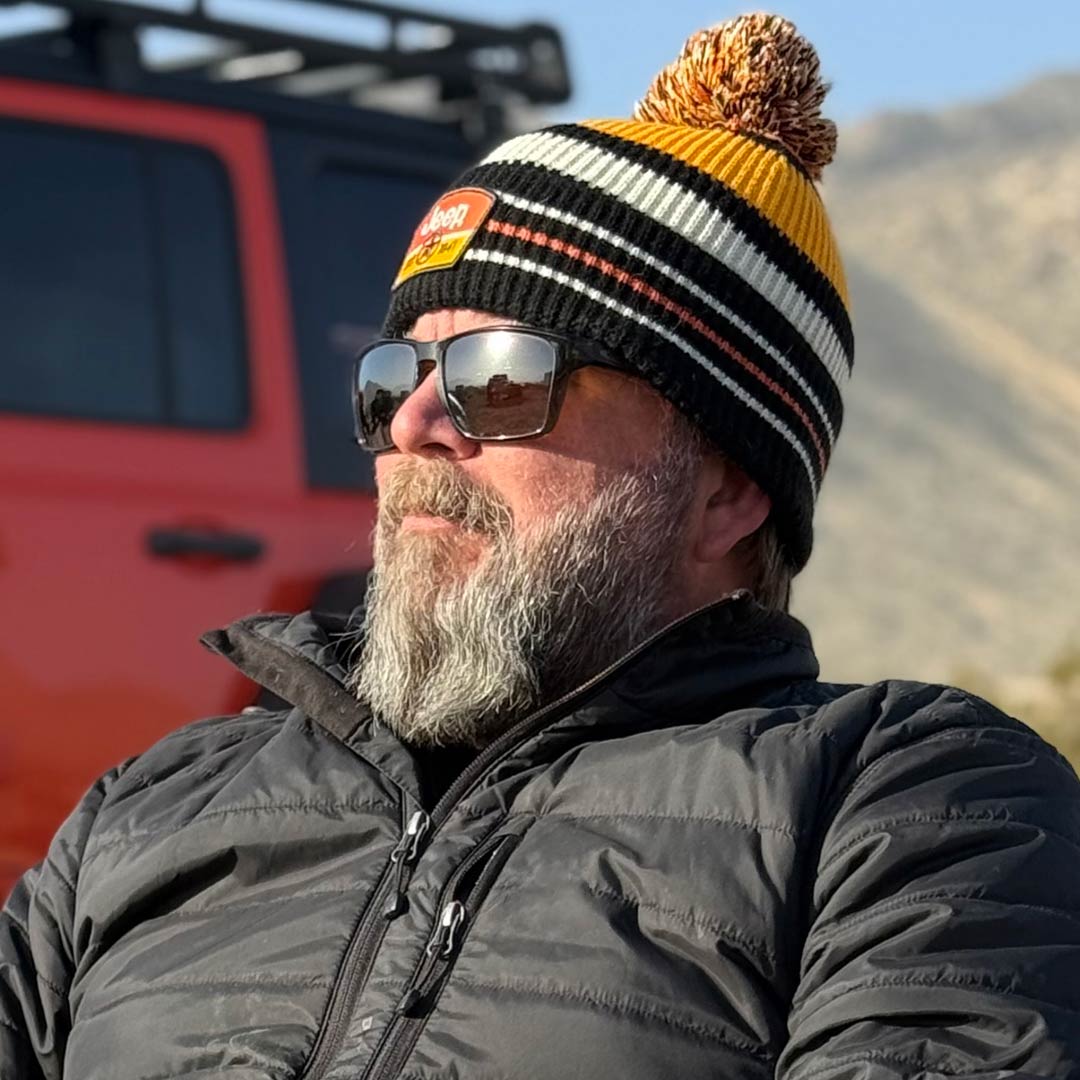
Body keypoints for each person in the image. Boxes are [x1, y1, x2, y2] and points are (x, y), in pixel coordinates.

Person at [3, 13, 1079, 1079]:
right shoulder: (150, 806)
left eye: (499, 379)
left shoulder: (909, 810)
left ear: (728, 490)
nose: (416, 427)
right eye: (393, 379)